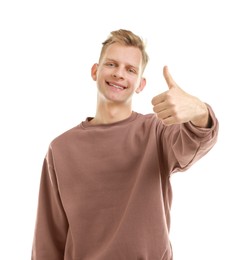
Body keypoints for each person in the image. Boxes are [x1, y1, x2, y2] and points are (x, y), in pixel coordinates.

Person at [31, 29, 219, 260]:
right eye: (111, 64)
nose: (119, 74)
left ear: (140, 84)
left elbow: (195, 141)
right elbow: (48, 239)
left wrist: (199, 111)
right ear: (95, 71)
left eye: (130, 70)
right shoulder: (60, 148)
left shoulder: (157, 131)